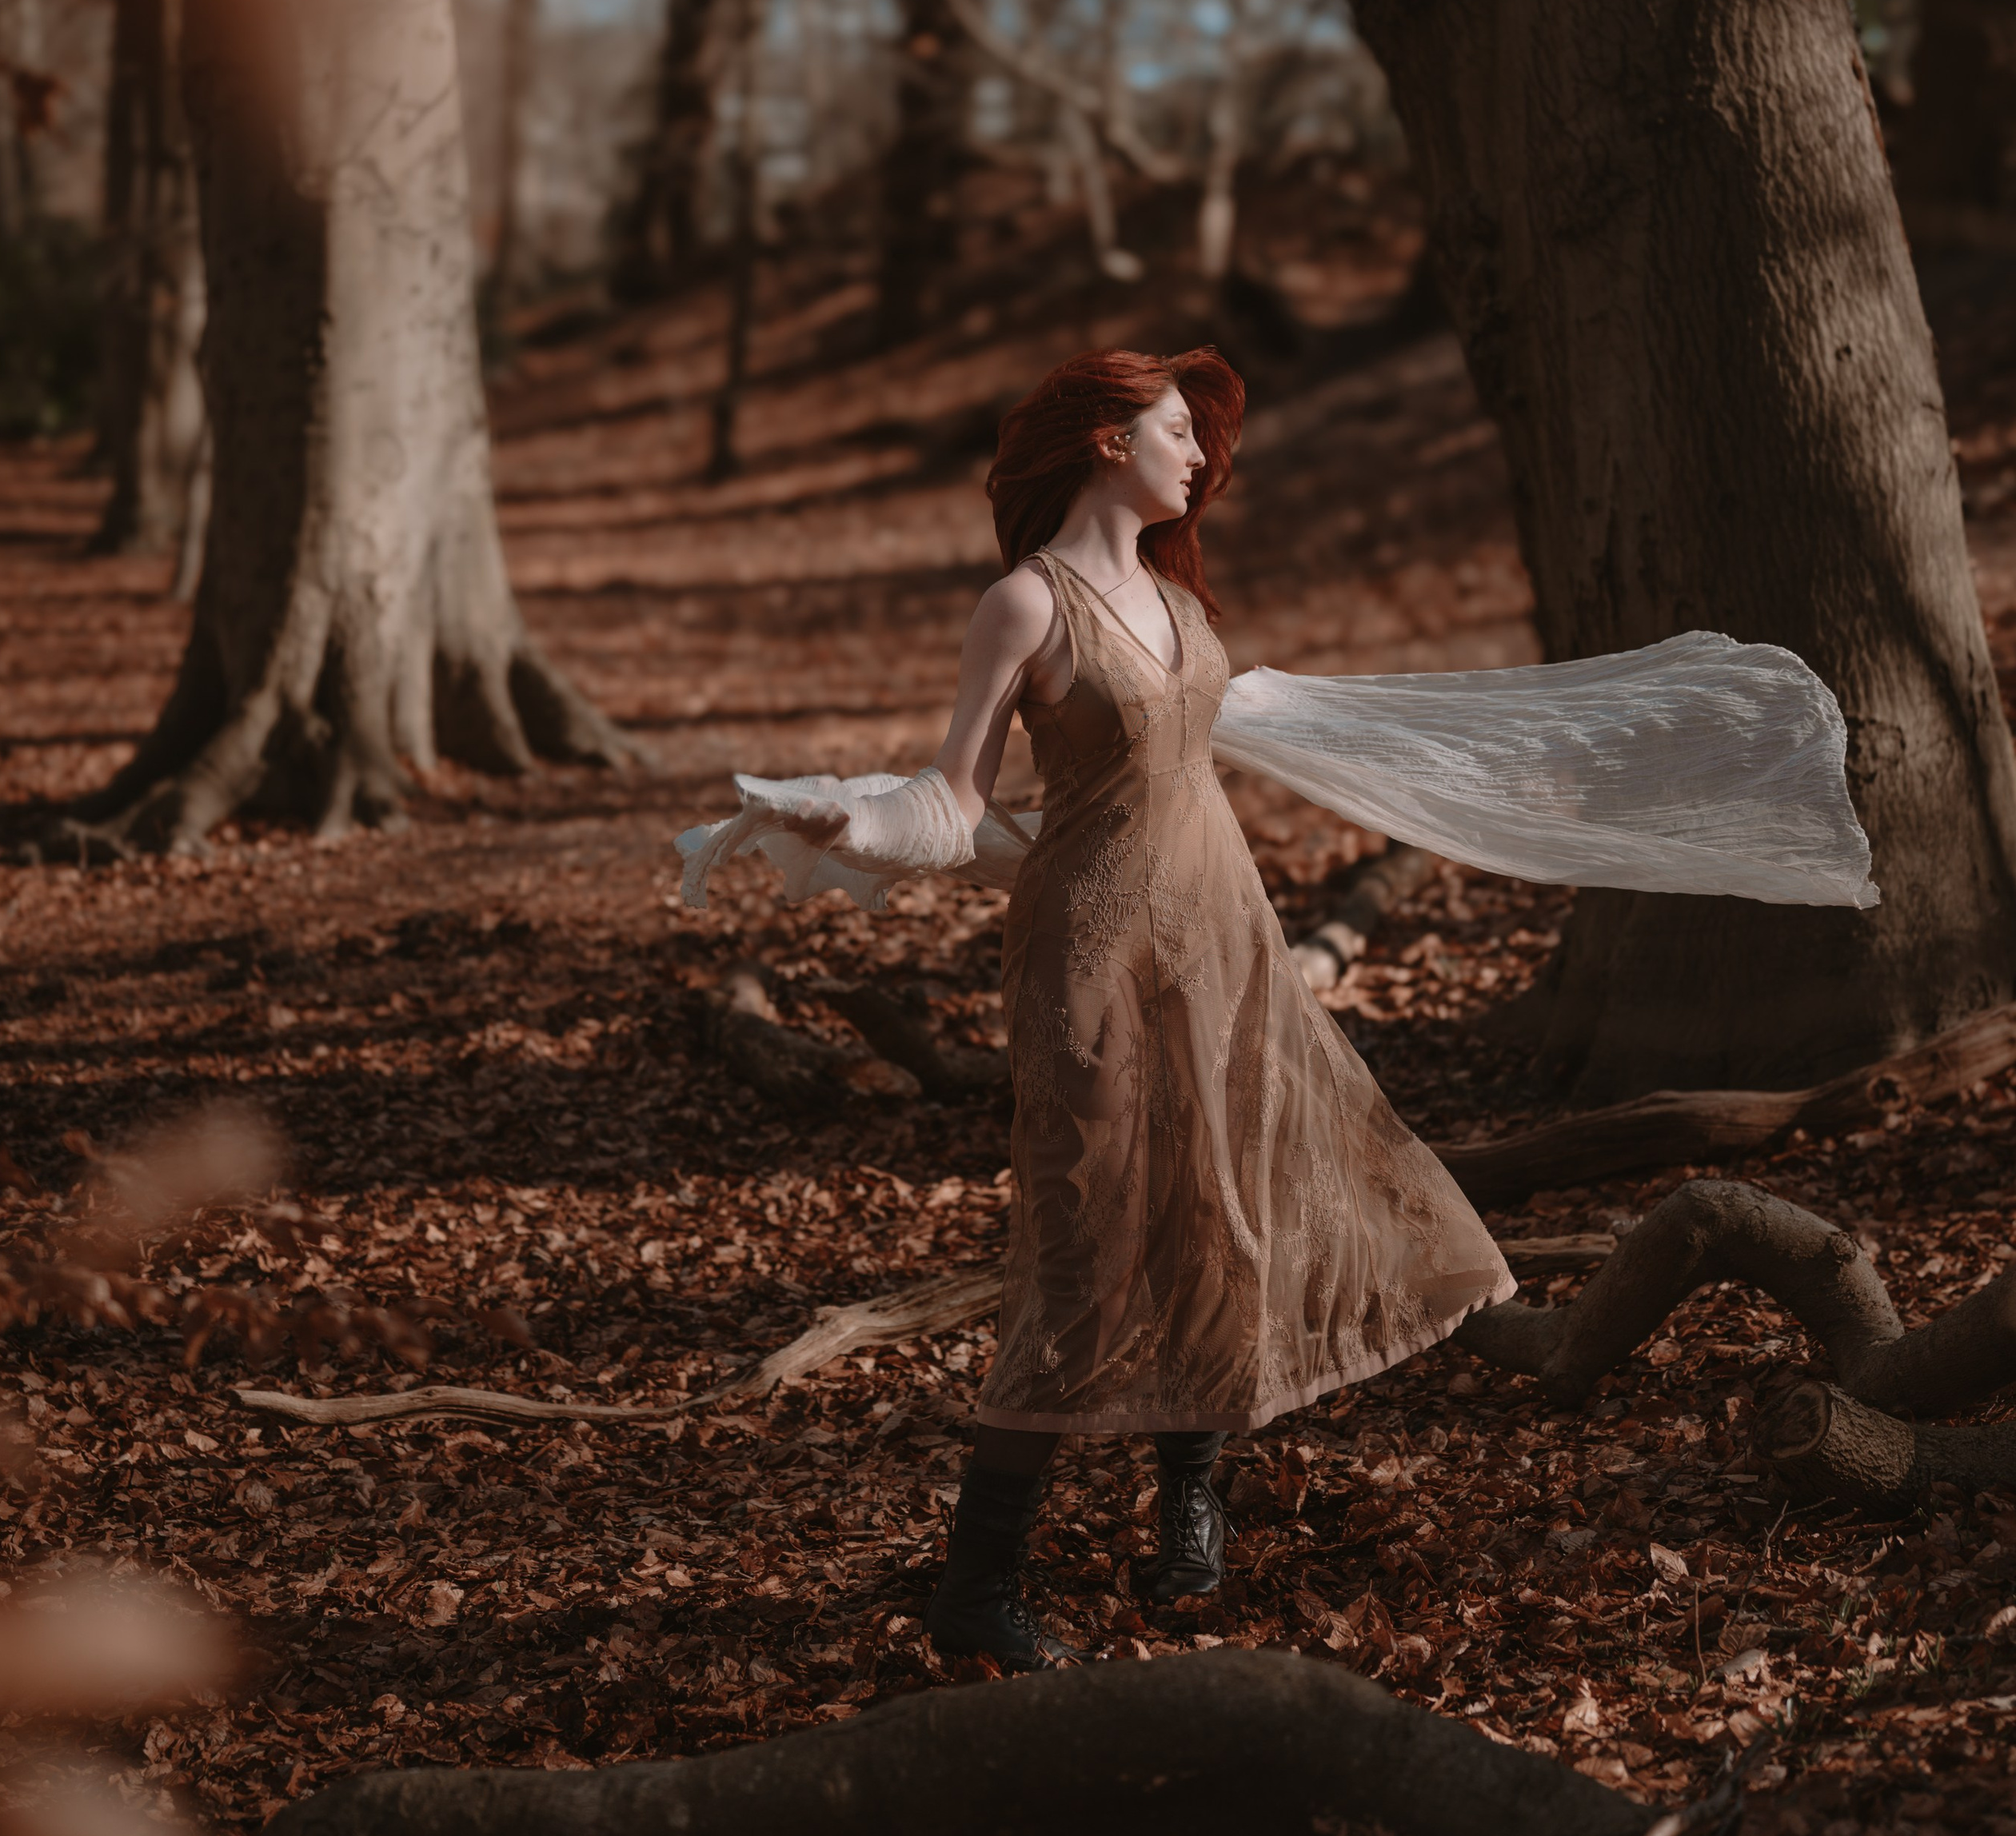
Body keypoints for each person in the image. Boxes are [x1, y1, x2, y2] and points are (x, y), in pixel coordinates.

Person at [678, 346, 1876, 1668]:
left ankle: (1189, 1499)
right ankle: (977, 1585)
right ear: (1105, 442)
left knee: (1221, 1217)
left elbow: (1202, 751)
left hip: (1224, 945)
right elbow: (956, 807)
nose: (1199, 457)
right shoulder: (1024, 606)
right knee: (1083, 1253)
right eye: (1176, 431)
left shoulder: (1179, 603)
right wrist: (844, 818)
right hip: (1091, 961)